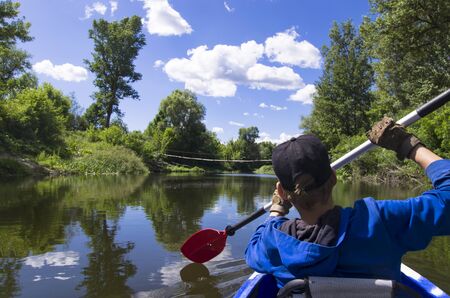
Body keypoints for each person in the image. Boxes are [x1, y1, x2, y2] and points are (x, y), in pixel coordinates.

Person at [245, 117, 450, 288]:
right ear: (333, 178)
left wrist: (277, 209)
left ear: (282, 191)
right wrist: (407, 144)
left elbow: (252, 251)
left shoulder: (273, 240)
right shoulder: (381, 221)